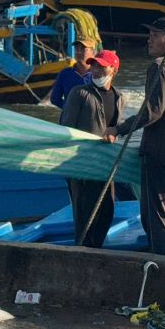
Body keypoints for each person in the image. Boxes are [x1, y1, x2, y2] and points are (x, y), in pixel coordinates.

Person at [104, 17, 165, 257]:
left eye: (154, 34)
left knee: (157, 214)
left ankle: (161, 264)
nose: (148, 39)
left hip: (162, 153)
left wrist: (117, 129)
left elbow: (152, 111)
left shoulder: (160, 65)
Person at [59, 50, 124, 248]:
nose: (96, 70)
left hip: (105, 164)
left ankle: (96, 249)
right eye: (93, 65)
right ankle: (83, 252)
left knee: (107, 211)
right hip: (82, 165)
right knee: (85, 214)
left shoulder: (119, 97)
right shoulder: (79, 93)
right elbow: (65, 127)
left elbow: (115, 128)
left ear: (113, 70)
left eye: (101, 66)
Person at [42, 37, 96, 108]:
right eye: (77, 48)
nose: (79, 52)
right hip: (70, 117)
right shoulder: (65, 73)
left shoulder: (97, 74)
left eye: (83, 49)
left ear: (93, 53)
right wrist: (68, 109)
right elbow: (55, 98)